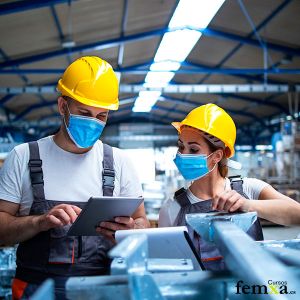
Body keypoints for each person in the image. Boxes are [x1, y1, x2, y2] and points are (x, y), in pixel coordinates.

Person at [0, 56, 149, 299]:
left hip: (102, 291)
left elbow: (142, 222)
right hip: (36, 290)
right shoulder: (23, 157)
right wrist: (39, 222)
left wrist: (129, 231)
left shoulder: (120, 162)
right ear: (62, 106)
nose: (93, 122)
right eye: (84, 112)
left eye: (101, 116)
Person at [158, 103, 300, 271]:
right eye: (181, 146)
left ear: (217, 156)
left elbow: (296, 214)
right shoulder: (172, 208)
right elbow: (168, 268)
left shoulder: (248, 189)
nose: (183, 154)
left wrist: (247, 205)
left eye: (193, 149)